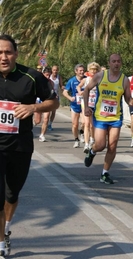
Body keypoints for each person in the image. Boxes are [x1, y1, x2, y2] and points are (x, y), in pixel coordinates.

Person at [0, 34, 59, 257]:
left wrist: (33, 108)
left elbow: (54, 101)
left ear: (15, 53)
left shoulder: (31, 77)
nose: (3, 57)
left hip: (20, 146)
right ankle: (0, 246)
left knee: (11, 194)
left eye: (8, 52)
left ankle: (5, 229)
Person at [83, 54, 132, 185]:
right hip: (100, 116)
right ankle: (92, 152)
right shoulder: (100, 76)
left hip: (115, 117)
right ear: (109, 63)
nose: (116, 63)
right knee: (100, 145)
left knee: (112, 145)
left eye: (118, 61)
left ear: (121, 63)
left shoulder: (124, 80)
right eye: (113, 61)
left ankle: (105, 173)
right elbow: (86, 90)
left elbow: (128, 98)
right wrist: (86, 107)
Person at [77, 62, 100, 152]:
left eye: (95, 69)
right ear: (89, 70)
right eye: (92, 69)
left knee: (92, 125)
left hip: (96, 103)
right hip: (86, 103)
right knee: (86, 124)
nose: (93, 71)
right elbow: (78, 87)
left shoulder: (100, 80)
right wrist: (80, 92)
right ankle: (86, 144)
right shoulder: (85, 80)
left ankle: (92, 139)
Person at [63, 64, 86, 148]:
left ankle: (82, 133)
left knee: (84, 122)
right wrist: (70, 98)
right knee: (74, 124)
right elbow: (65, 92)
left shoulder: (86, 79)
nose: (82, 72)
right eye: (80, 71)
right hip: (75, 105)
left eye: (83, 70)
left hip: (84, 105)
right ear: (76, 71)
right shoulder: (72, 80)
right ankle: (76, 139)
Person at [37, 67, 54, 142]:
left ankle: (42, 135)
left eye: (49, 75)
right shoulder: (38, 81)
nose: (47, 77)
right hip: (38, 101)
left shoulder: (51, 82)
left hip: (47, 101)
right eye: (46, 75)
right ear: (43, 74)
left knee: (46, 118)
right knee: (37, 120)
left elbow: (53, 92)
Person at [48, 65, 63, 131]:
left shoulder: (59, 77)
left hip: (56, 96)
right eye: (54, 70)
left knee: (53, 112)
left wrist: (64, 88)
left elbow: (61, 86)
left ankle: (50, 124)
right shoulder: (49, 76)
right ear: (52, 70)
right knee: (47, 111)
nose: (55, 71)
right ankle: (46, 122)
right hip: (48, 96)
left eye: (56, 70)